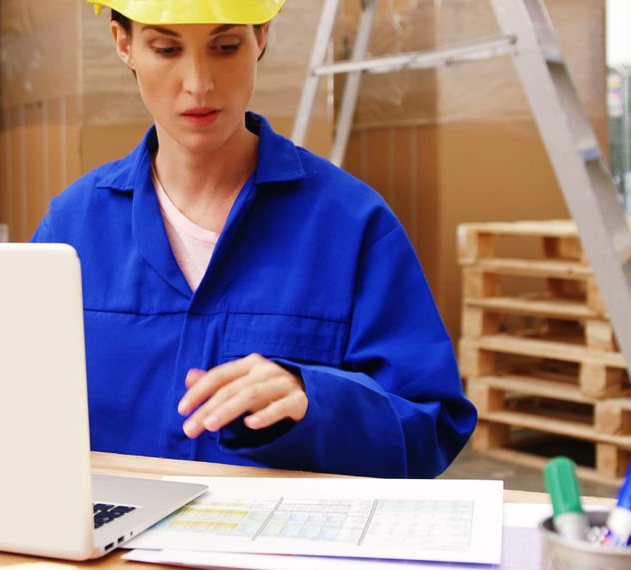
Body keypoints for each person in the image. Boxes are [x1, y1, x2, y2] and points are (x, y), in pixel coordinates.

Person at [31, 0, 476, 478]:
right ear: (125, 45)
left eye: (226, 47)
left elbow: (432, 430)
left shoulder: (350, 225)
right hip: (112, 550)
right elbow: (4, 401)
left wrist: (315, 399)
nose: (198, 83)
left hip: (279, 548)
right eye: (166, 48)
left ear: (261, 36)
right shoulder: (72, 231)